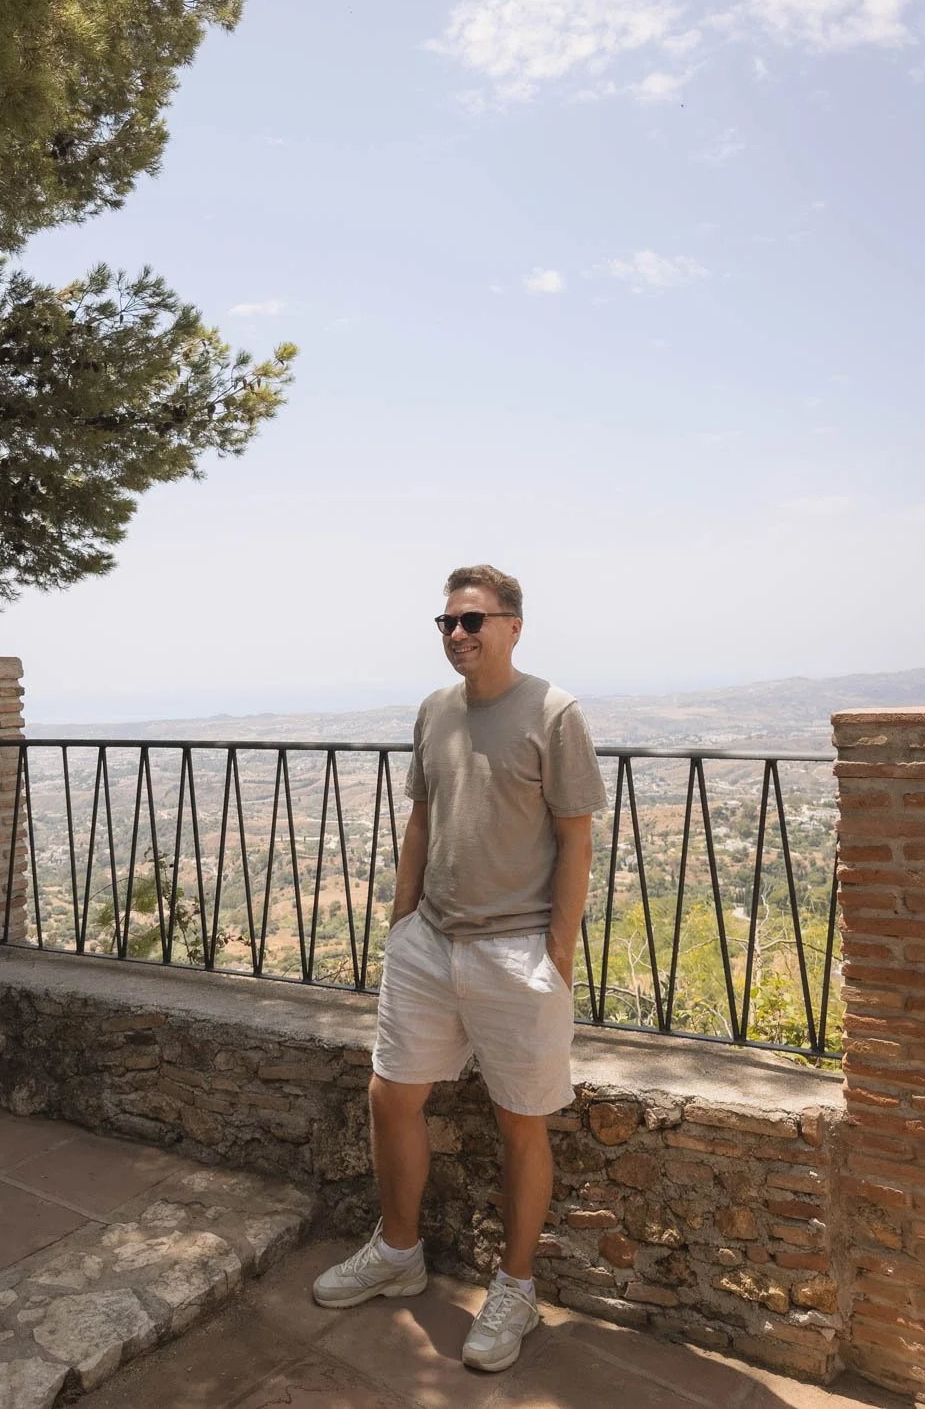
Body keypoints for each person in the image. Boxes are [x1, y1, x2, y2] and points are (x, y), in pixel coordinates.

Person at [312, 564, 607, 1372]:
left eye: (472, 620)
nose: (456, 634)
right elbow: (421, 819)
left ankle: (514, 1288)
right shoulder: (434, 710)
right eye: (445, 622)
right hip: (429, 944)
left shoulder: (553, 713)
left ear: (513, 626)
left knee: (521, 1122)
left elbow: (575, 838)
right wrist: (401, 922)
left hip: (516, 950)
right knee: (389, 1094)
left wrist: (557, 954)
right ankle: (397, 1252)